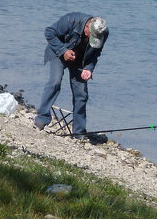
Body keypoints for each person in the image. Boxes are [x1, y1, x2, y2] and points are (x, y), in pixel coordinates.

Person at [34, 13, 109, 141]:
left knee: (81, 94)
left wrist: (88, 69)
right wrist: (63, 51)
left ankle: (79, 132)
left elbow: (96, 54)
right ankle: (41, 119)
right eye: (91, 35)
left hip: (80, 61)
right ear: (87, 26)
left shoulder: (103, 32)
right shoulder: (71, 20)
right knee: (55, 82)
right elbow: (49, 32)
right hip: (59, 54)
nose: (92, 38)